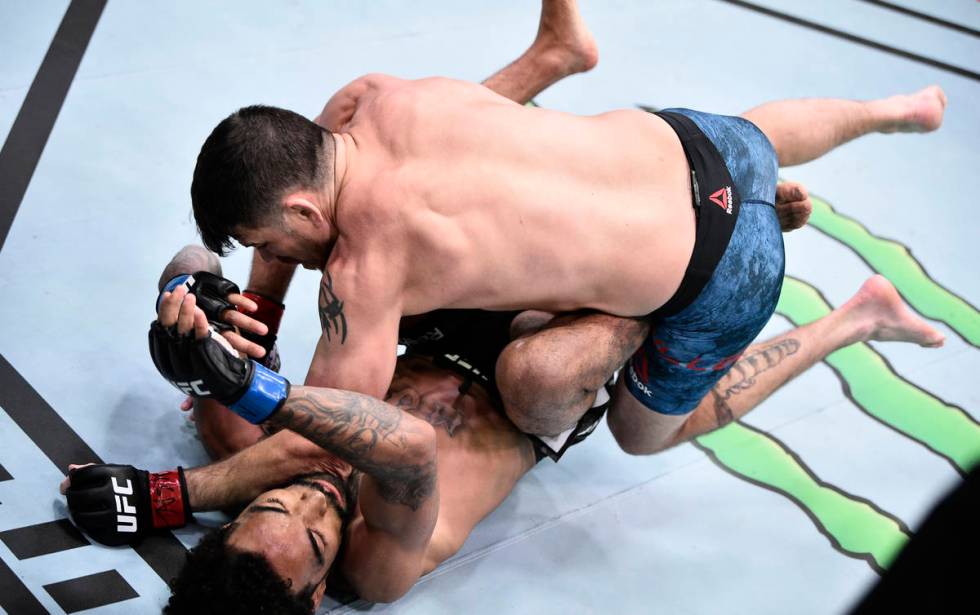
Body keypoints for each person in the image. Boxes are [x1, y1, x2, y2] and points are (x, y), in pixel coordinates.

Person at [187, 0, 947, 455]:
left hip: (722, 273)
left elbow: (322, 431)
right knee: (755, 137)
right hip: (698, 140)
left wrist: (220, 385)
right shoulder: (367, 96)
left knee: (639, 435)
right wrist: (264, 308)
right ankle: (893, 111)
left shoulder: (367, 270)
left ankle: (857, 317)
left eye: (268, 246)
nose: (276, 260)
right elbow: (291, 169)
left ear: (301, 212)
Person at [64, 269, 943, 611]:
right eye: (320, 528)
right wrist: (184, 479)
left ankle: (554, 65)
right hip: (544, 393)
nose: (317, 497)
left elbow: (191, 250)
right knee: (630, 409)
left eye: (274, 503)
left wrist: (194, 307)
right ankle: (801, 304)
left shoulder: (244, 467)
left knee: (375, 238)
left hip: (445, 332)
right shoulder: (373, 568)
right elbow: (400, 447)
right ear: (322, 587)